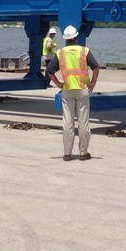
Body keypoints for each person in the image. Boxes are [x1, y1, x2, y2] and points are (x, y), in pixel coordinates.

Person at [46, 25, 100, 161]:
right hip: (82, 89)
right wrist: (93, 83)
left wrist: (58, 84)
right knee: (83, 123)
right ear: (76, 38)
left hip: (67, 90)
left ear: (66, 39)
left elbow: (49, 70)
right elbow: (95, 67)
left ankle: (67, 153)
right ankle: (83, 153)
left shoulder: (60, 53)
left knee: (68, 123)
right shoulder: (84, 51)